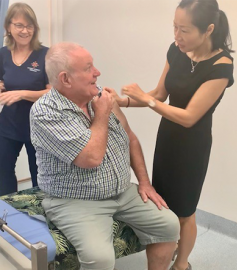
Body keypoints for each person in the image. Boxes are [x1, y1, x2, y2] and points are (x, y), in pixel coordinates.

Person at [106, 0, 234, 269]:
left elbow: (189, 117)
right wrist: (123, 101)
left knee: (185, 212)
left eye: (184, 30)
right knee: (163, 202)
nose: (177, 36)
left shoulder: (221, 66)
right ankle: (166, 248)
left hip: (193, 146)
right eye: (174, 27)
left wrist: (146, 100)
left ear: (208, 29)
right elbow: (159, 95)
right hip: (168, 140)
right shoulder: (176, 51)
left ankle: (181, 264)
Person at [30, 42, 180, 270]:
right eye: (88, 68)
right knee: (100, 259)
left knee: (169, 225)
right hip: (75, 200)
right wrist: (101, 114)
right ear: (65, 79)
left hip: (122, 191)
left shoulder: (101, 98)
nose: (97, 72)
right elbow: (91, 158)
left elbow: (130, 138)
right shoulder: (45, 112)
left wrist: (144, 182)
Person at [0, 2, 50, 196]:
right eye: (19, 25)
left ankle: (41, 215)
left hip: (38, 125)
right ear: (9, 27)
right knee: (3, 172)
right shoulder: (3, 54)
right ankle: (7, 217)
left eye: (29, 26)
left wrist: (22, 94)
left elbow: (53, 92)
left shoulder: (45, 54)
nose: (25, 30)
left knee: (39, 175)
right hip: (8, 124)